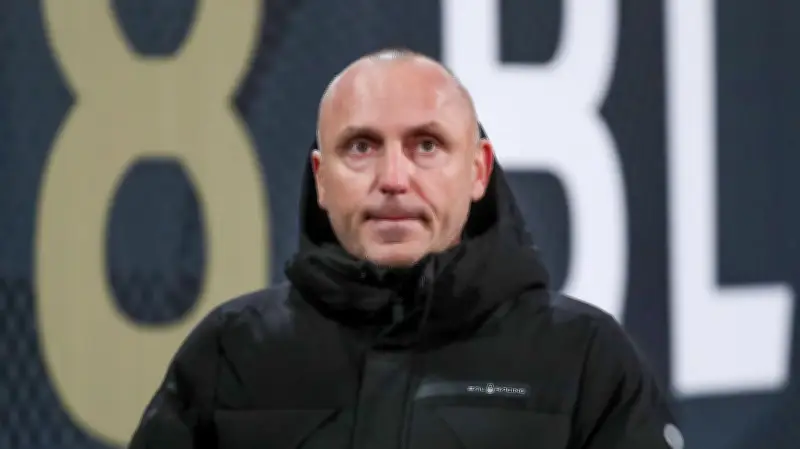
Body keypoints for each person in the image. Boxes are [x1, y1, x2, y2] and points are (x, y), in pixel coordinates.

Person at [129, 49, 682, 449]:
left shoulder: (584, 359)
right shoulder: (231, 353)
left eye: (427, 145)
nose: (393, 179)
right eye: (361, 146)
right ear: (321, 179)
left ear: (478, 171)